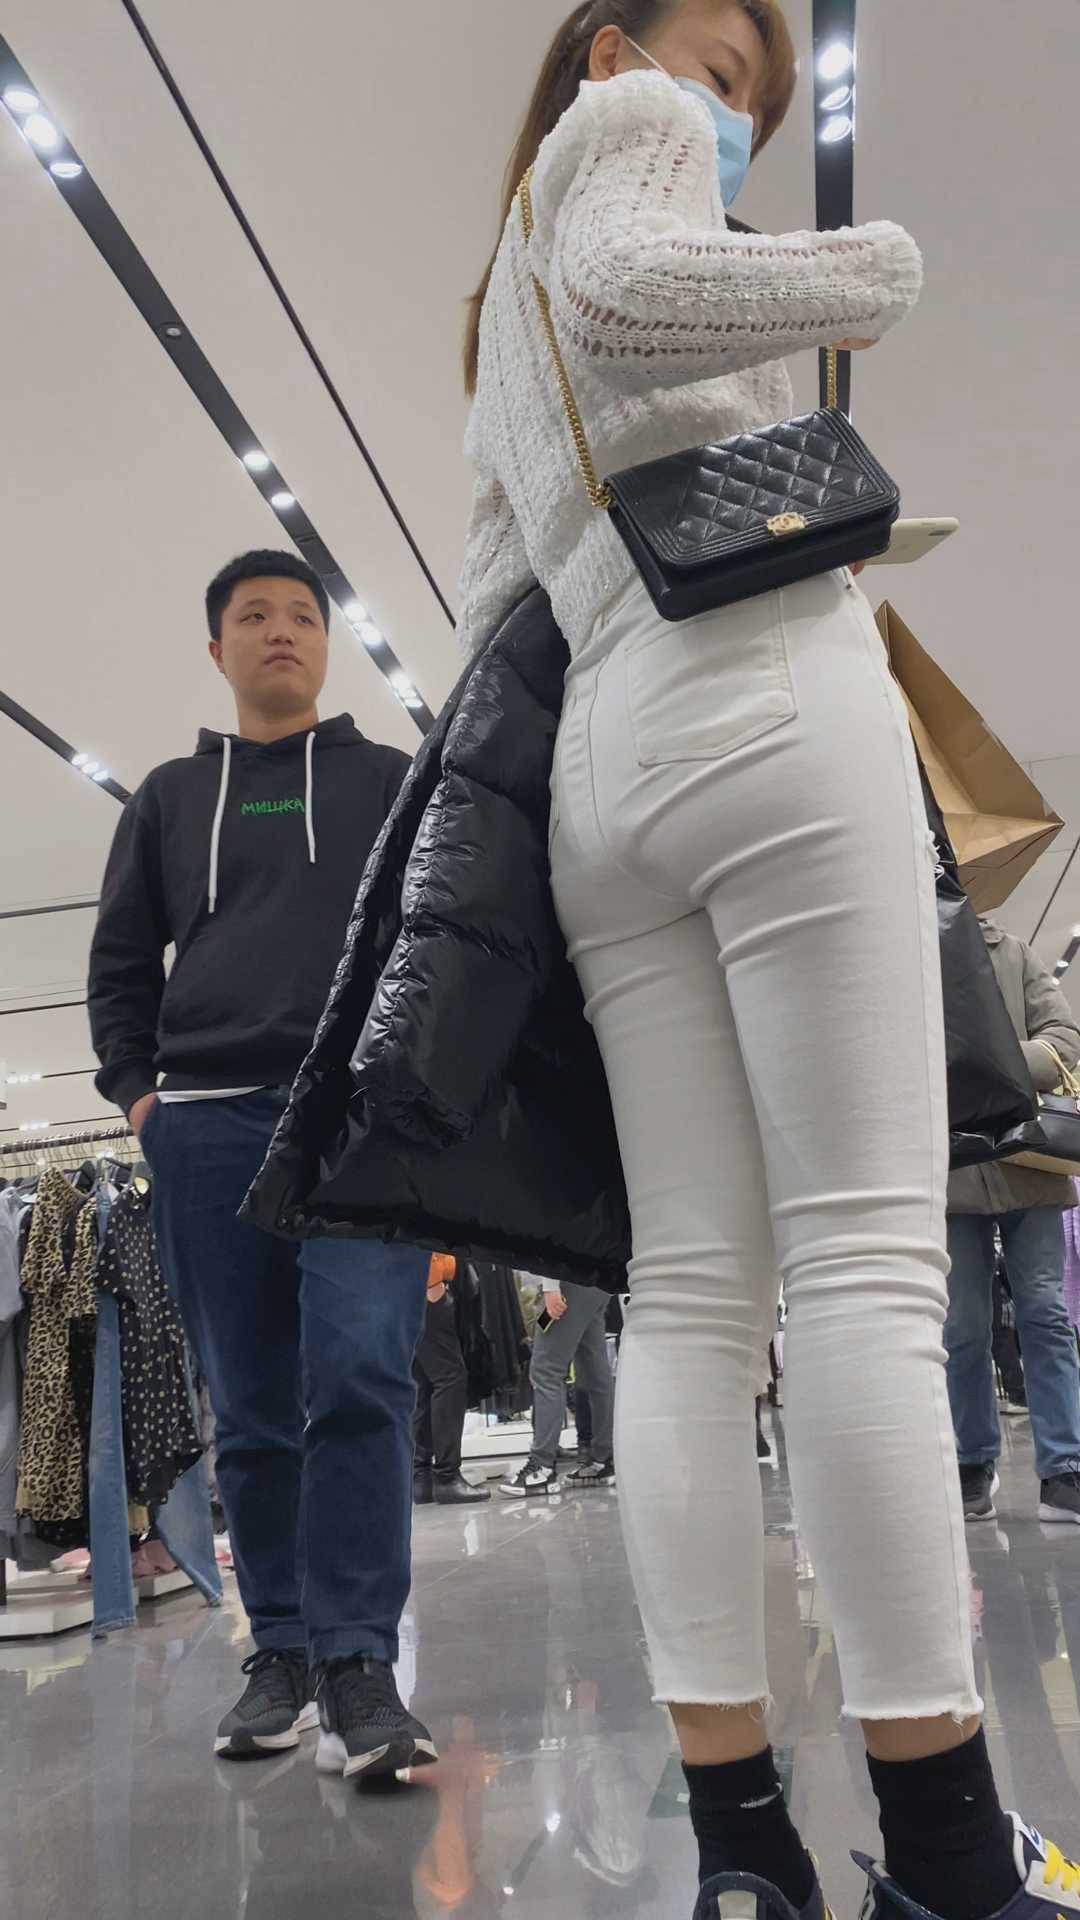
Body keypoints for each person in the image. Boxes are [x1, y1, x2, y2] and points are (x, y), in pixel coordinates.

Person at [458, 4, 1079, 1915]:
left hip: (605, 768)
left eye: (750, 93)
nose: (725, 108)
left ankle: (741, 1856)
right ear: (610, 50)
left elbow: (492, 608)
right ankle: (952, 1861)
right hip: (767, 702)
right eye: (716, 63)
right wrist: (873, 267)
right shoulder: (621, 132)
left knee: (696, 1302)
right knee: (869, 1268)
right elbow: (642, 288)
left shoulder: (494, 318)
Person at [88, 549, 436, 1781]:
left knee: (361, 1375)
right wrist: (142, 1101)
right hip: (207, 1125)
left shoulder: (393, 781)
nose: (281, 630)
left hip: (357, 1121)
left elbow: (437, 939)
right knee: (247, 1401)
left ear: (328, 645)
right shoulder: (171, 798)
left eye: (302, 615)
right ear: (218, 647)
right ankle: (280, 1649)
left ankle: (358, 1661)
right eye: (254, 615)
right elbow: (120, 964)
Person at [946, 922, 1080, 1524]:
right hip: (951, 1169)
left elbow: (1064, 1039)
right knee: (960, 1325)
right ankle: (972, 1460)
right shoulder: (905, 959)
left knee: (1045, 1314)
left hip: (1029, 1160)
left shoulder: (1011, 952)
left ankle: (1064, 1468)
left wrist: (998, 1063)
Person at [501, 1278, 616, 1496]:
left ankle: (541, 1467)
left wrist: (551, 1286)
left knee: (546, 1371)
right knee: (594, 1372)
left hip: (566, 1280)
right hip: (596, 1282)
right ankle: (603, 1459)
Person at [414, 1255, 492, 1505]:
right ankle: (447, 1477)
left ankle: (421, 1478)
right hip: (427, 1285)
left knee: (426, 1382)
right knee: (451, 1378)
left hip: (409, 1289)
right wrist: (433, 1283)